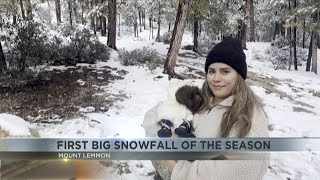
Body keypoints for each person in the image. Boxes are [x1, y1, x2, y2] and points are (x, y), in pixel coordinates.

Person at [143, 37, 269, 180]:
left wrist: (174, 166)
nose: (216, 78)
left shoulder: (248, 117)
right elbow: (158, 113)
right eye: (211, 71)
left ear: (239, 75)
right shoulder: (203, 99)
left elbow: (239, 170)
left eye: (225, 71)